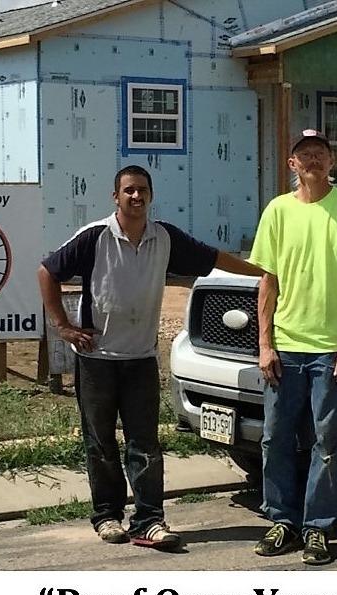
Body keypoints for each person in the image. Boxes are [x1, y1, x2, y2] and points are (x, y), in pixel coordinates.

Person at [38, 165, 262, 550]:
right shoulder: (94, 238)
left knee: (145, 443)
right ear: (116, 197)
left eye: (142, 190)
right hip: (97, 359)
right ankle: (107, 516)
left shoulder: (165, 238)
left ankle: (148, 521)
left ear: (151, 195)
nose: (136, 197)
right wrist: (63, 326)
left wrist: (264, 273)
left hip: (141, 359)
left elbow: (214, 258)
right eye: (129, 191)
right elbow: (47, 271)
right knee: (101, 442)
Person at [250, 129, 337, 565]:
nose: (313, 161)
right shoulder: (277, 211)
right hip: (285, 347)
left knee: (327, 442)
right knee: (275, 439)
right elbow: (267, 281)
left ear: (332, 161)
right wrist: (265, 343)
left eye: (320, 154)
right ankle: (282, 521)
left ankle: (318, 528)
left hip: (330, 351)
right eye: (305, 155)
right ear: (292, 164)